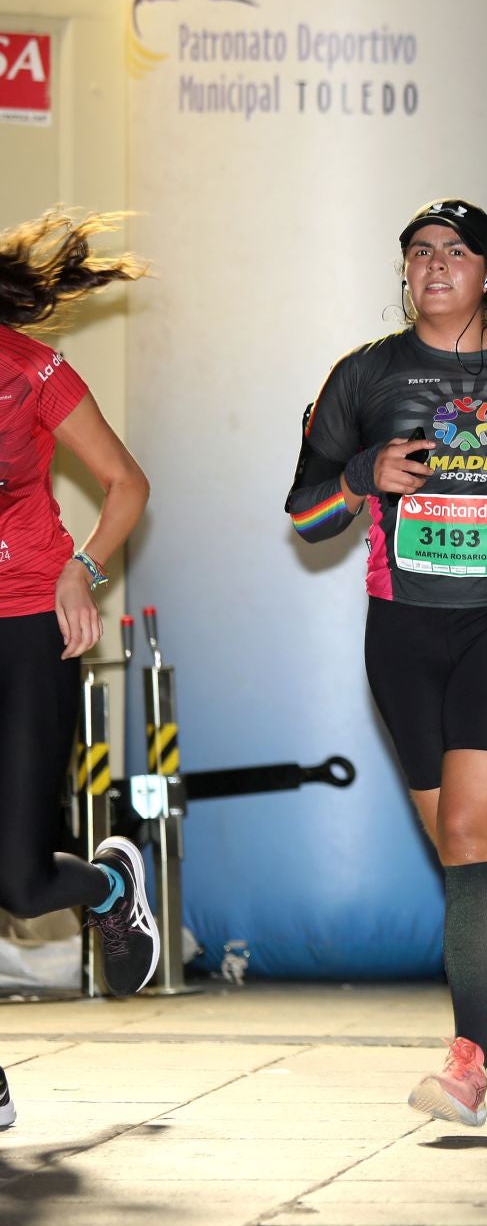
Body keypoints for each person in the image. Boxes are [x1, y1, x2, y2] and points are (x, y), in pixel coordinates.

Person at [285, 199, 487, 1125]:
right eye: (419, 251)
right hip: (405, 635)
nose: (435, 266)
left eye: (456, 252)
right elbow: (306, 519)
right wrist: (360, 477)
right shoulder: (364, 374)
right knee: (460, 844)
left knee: (472, 829)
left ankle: (466, 1064)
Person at [0, 209, 160, 1128]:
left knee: (19, 884)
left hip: (27, 622)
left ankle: (109, 885)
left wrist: (82, 569)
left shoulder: (32, 372)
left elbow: (127, 483)